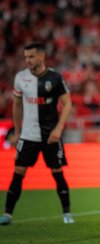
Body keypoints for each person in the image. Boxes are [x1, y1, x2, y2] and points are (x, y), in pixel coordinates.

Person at [0, 42, 74, 225]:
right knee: (18, 172)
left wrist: (58, 129)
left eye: (31, 57)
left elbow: (67, 104)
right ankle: (7, 214)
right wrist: (17, 133)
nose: (27, 60)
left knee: (57, 172)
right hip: (28, 135)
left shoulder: (55, 78)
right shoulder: (21, 78)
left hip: (50, 135)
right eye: (25, 57)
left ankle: (67, 213)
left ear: (41, 56)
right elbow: (17, 106)